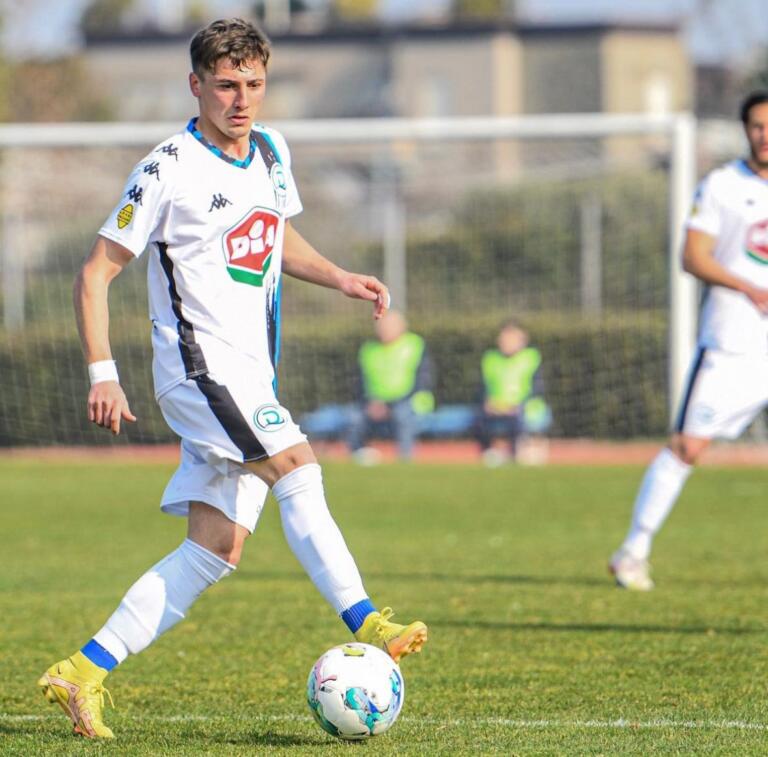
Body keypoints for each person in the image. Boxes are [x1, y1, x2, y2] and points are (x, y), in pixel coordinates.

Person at [38, 18, 427, 739]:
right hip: (199, 372)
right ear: (196, 85)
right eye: (225, 85)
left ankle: (82, 670)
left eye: (253, 84)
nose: (241, 99)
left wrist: (339, 276)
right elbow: (95, 273)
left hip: (250, 377)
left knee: (213, 550)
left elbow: (274, 235)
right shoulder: (167, 167)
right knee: (299, 468)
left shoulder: (273, 151)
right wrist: (104, 373)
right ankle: (368, 618)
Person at [609, 90, 768, 590]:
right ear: (746, 130)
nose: (766, 135)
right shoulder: (722, 184)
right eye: (758, 126)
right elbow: (693, 256)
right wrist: (748, 286)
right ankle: (633, 550)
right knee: (687, 446)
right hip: (733, 345)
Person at [346, 310, 434, 462]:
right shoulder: (368, 349)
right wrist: (369, 403)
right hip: (374, 404)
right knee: (353, 417)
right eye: (381, 326)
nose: (383, 330)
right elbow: (359, 383)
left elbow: (422, 381)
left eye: (388, 326)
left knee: (403, 415)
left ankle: (405, 460)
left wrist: (388, 405)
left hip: (409, 402)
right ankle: (359, 458)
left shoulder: (414, 345)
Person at [474, 320, 550, 466]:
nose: (506, 342)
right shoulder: (490, 358)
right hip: (496, 406)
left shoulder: (531, 358)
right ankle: (489, 454)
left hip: (524, 407)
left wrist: (517, 405)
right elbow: (481, 388)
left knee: (520, 419)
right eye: (504, 338)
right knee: (478, 417)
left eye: (511, 339)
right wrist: (488, 402)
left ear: (522, 340)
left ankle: (516, 456)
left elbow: (538, 388)